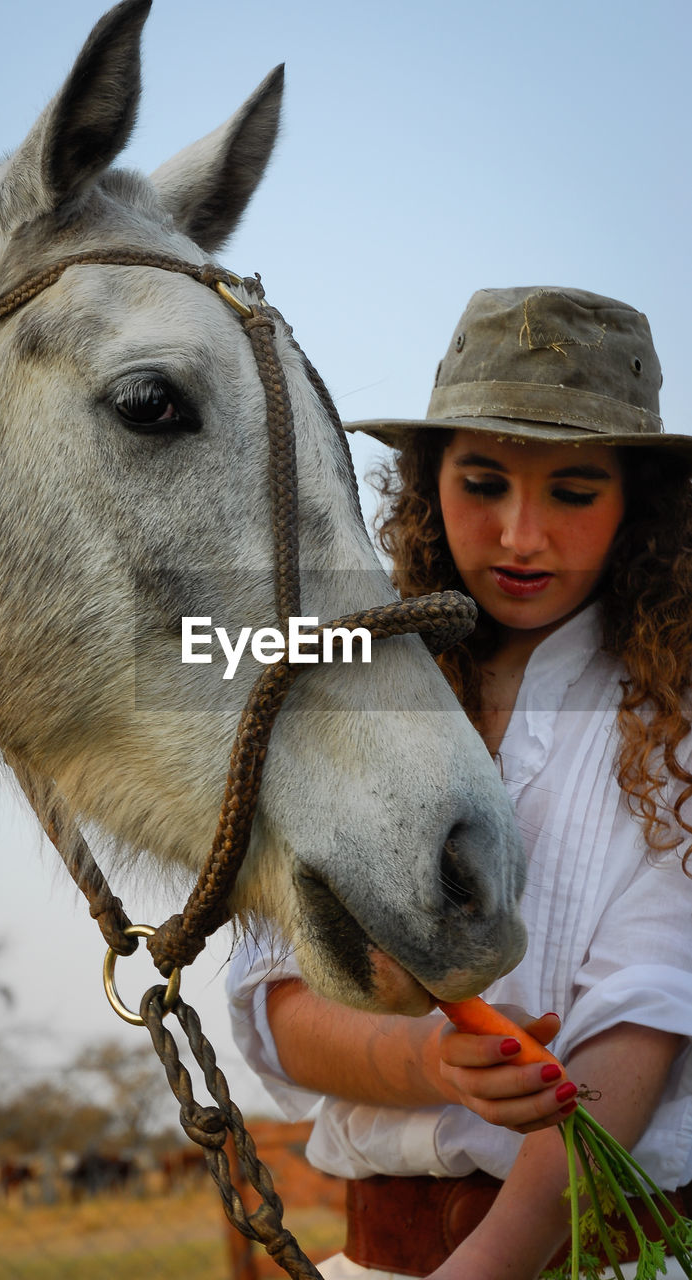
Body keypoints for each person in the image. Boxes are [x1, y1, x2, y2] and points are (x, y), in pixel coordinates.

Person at [227, 286, 692, 1280]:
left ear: (636, 504)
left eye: (571, 491)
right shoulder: (339, 696)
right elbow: (274, 995)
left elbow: (637, 1026)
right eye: (482, 482)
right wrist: (430, 1061)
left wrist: (478, 1270)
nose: (520, 534)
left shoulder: (677, 734)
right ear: (428, 481)